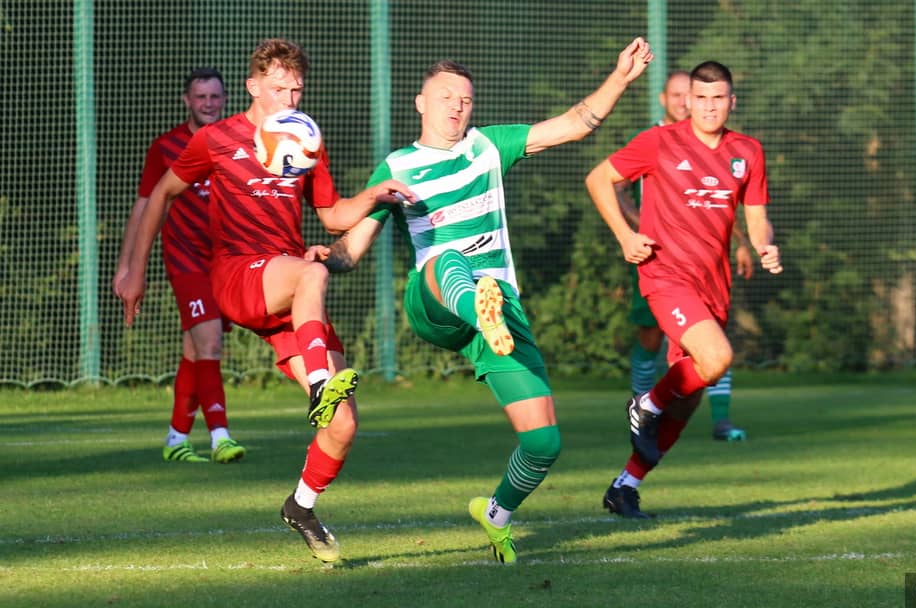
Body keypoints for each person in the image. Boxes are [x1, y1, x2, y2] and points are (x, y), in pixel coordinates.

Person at [312, 38, 653, 563]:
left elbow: (575, 124)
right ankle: (479, 308)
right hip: (436, 302)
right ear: (420, 103)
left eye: (465, 99)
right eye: (445, 97)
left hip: (500, 309)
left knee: (543, 443)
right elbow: (350, 249)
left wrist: (621, 77)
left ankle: (496, 514)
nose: (456, 106)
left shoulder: (489, 147)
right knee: (450, 259)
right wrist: (321, 258)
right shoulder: (399, 167)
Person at [115, 38, 414, 562]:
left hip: (287, 284)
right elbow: (161, 193)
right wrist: (134, 270)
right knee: (312, 274)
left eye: (296, 89)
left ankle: (302, 506)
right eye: (278, 88)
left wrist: (372, 196)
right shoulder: (215, 138)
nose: (289, 99)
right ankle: (320, 385)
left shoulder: (307, 139)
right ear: (252, 86)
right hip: (237, 273)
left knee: (344, 424)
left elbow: (333, 217)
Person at [585, 61, 783, 518]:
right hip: (666, 276)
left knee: (690, 395)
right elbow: (599, 179)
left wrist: (764, 244)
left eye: (719, 99)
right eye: (702, 98)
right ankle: (645, 403)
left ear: (732, 102)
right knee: (716, 359)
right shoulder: (659, 142)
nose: (710, 107)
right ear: (688, 102)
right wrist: (625, 236)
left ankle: (625, 486)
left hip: (714, 287)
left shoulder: (748, 151)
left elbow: (756, 217)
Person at [113, 67, 246, 465]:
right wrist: (127, 267)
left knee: (195, 349)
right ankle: (221, 437)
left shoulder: (237, 143)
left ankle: (176, 438)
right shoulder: (166, 147)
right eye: (200, 97)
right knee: (211, 343)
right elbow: (143, 207)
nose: (208, 103)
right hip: (186, 260)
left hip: (225, 262)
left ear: (225, 100)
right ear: (187, 100)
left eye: (215, 96)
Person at [616, 70, 755, 443]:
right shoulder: (653, 140)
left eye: (686, 94)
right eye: (676, 95)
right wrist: (635, 228)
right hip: (658, 261)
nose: (683, 102)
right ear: (665, 99)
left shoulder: (719, 144)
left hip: (705, 265)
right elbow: (612, 185)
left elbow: (718, 202)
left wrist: (744, 240)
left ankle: (718, 420)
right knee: (650, 335)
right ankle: (642, 410)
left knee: (712, 343)